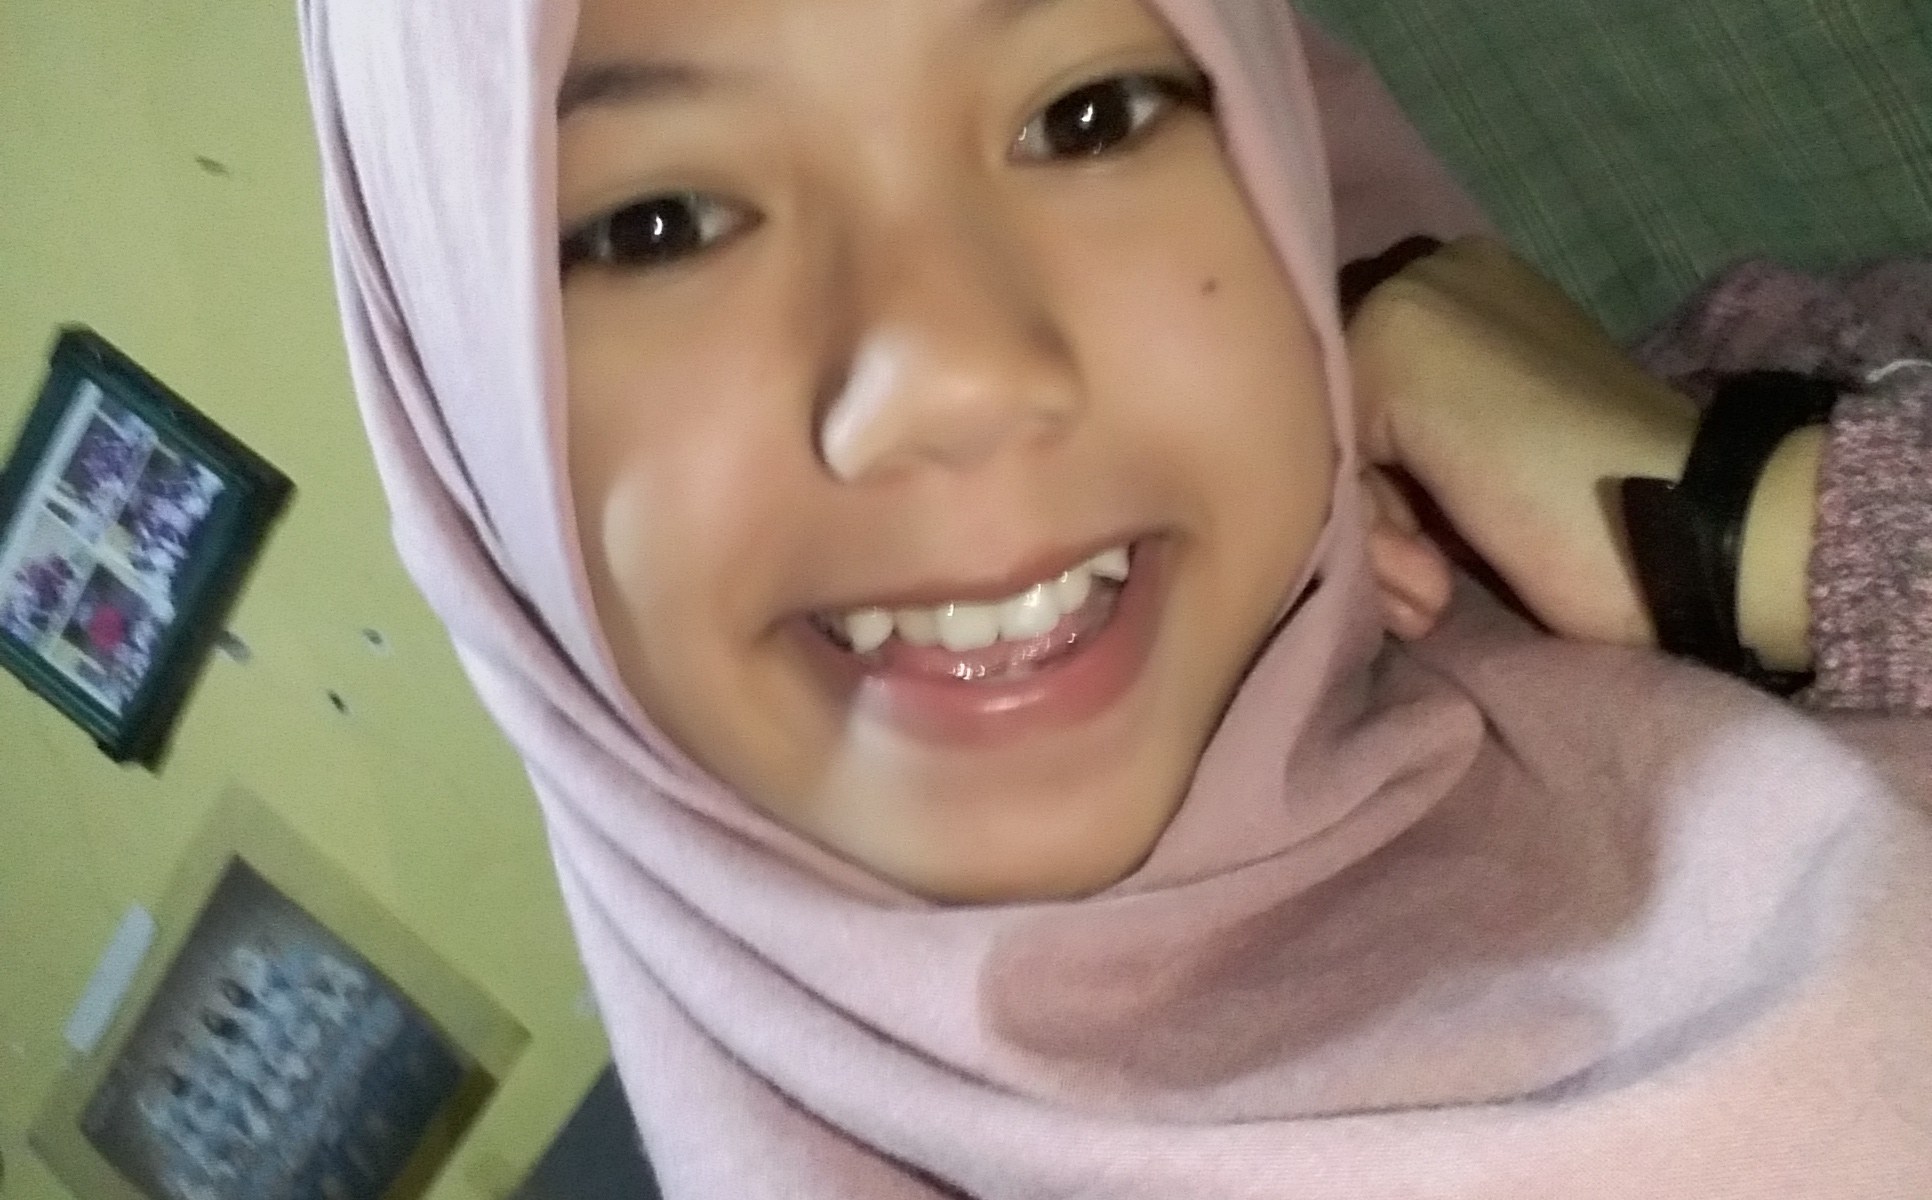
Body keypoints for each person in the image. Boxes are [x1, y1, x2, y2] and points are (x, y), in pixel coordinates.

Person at [301, 0, 1932, 1195]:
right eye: (658, 225)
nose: (952, 378)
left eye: (1085, 116)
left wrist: (1751, 526)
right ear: (465, 433)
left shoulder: (1767, 411)